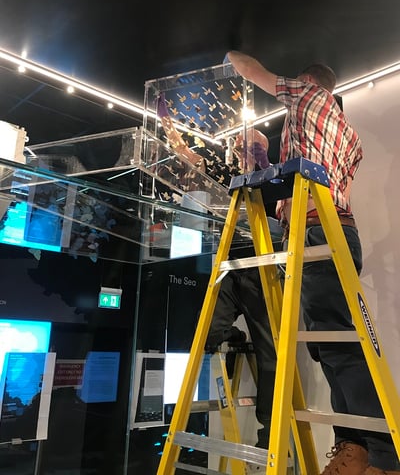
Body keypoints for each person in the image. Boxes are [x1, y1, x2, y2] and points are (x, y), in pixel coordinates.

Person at [226, 50, 400, 475]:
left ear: (309, 82)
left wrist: (228, 51)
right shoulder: (345, 134)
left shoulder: (308, 95)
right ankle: (354, 446)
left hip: (319, 230)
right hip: (326, 230)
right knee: (330, 344)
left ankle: (381, 454)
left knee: (338, 345)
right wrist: (265, 161)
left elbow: (252, 69)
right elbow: (297, 178)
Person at [156, 91, 277, 453]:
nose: (242, 148)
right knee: (206, 332)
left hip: (260, 268)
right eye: (240, 144)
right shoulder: (225, 174)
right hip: (227, 265)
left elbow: (281, 213)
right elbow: (187, 157)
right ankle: (228, 342)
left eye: (250, 145)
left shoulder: (270, 179)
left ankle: (269, 428)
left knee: (270, 349)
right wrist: (165, 121)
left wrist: (262, 156)